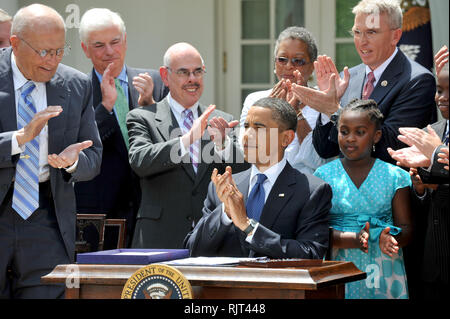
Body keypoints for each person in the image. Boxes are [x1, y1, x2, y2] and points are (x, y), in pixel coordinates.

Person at [0, 4, 102, 298]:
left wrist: (73, 162)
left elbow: (93, 156)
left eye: (59, 51)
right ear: (16, 44)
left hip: (46, 217)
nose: (52, 61)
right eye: (44, 52)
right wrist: (20, 138)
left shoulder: (76, 84)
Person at [127, 42, 249, 249]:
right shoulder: (143, 117)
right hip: (160, 238)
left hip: (213, 237)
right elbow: (140, 161)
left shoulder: (222, 119)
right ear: (165, 76)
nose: (192, 79)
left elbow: (244, 173)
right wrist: (187, 139)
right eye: (184, 72)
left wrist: (223, 146)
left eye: (198, 72)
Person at [291, 0, 436, 165]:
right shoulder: (348, 78)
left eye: (372, 32)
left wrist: (334, 110)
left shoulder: (417, 80)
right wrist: (326, 111)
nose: (362, 41)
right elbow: (325, 149)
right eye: (357, 32)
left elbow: (391, 148)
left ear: (395, 36)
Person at [185, 97, 331, 259]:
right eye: (246, 126)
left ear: (286, 138)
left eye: (259, 128)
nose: (247, 135)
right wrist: (225, 214)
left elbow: (310, 253)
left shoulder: (311, 191)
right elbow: (193, 250)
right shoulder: (223, 188)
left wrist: (248, 227)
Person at [74, 8, 168, 248]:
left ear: (125, 42)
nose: (109, 52)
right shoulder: (76, 89)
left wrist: (151, 106)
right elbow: (79, 146)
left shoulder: (155, 83)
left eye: (115, 42)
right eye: (98, 45)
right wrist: (105, 106)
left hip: (151, 209)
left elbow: (173, 142)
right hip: (100, 214)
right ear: (85, 49)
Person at [314, 99, 412, 299]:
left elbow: (407, 229)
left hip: (383, 268)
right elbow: (315, 232)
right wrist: (352, 239)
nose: (350, 138)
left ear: (376, 136)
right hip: (337, 267)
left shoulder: (395, 176)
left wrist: (389, 238)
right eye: (344, 131)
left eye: (359, 132)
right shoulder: (323, 175)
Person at [390, 46, 449, 299]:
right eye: (439, 90)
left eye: (449, 91)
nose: (442, 98)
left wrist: (436, 156)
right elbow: (426, 203)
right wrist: (421, 188)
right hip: (433, 262)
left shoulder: (433, 142)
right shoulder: (432, 131)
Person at [239, 27, 327, 175]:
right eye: (282, 59)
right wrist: (269, 114)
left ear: (312, 66)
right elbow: (249, 153)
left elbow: (319, 160)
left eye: (298, 61)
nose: (288, 66)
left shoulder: (323, 102)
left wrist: (295, 114)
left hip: (309, 186)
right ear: (275, 63)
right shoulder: (254, 100)